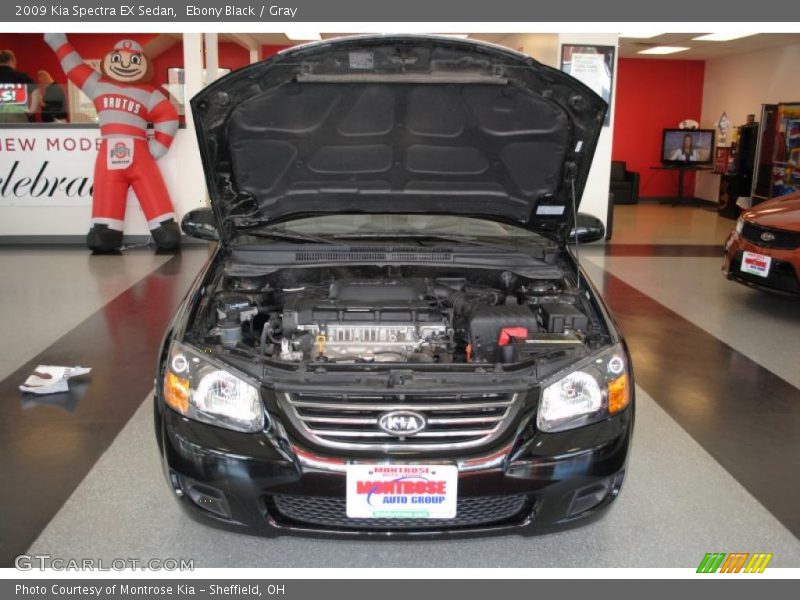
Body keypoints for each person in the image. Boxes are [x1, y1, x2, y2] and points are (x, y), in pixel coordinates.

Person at [44, 33, 180, 252]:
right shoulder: (98, 84)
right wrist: (56, 39)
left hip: (140, 153)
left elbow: (168, 116)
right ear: (109, 60)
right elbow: (74, 67)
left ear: (143, 64)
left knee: (153, 190)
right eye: (118, 59)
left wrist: (159, 147)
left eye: (133, 60)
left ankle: (164, 228)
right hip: (110, 152)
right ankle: (105, 231)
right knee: (107, 193)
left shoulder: (149, 93)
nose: (125, 64)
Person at [0, 49, 34, 123]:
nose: (16, 63)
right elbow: (35, 89)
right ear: (10, 60)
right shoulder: (20, 75)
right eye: (15, 60)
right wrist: (32, 109)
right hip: (15, 115)